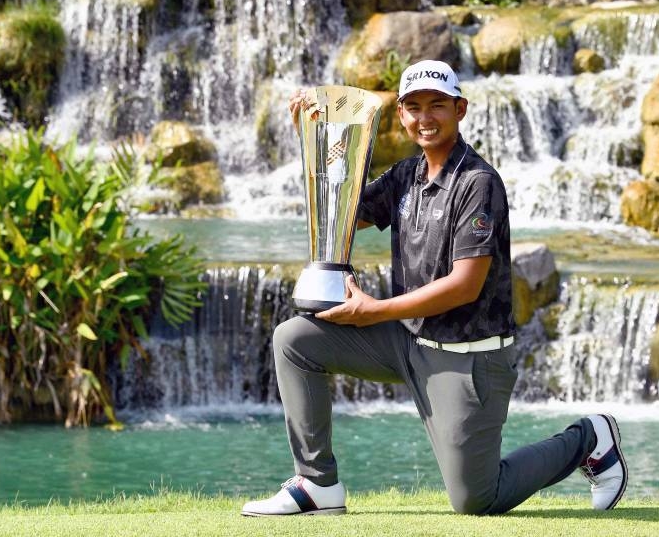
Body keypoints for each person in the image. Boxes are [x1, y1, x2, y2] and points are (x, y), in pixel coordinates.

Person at [241, 60, 628, 517]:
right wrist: (315, 139)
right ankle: (317, 484)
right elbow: (344, 212)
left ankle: (590, 438)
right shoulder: (406, 175)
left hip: (467, 357)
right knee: (294, 339)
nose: (425, 117)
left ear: (460, 109)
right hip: (406, 339)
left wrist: (374, 310)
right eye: (414, 107)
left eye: (437, 106)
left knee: (475, 500)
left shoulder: (478, 183)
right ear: (401, 116)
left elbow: (465, 285)